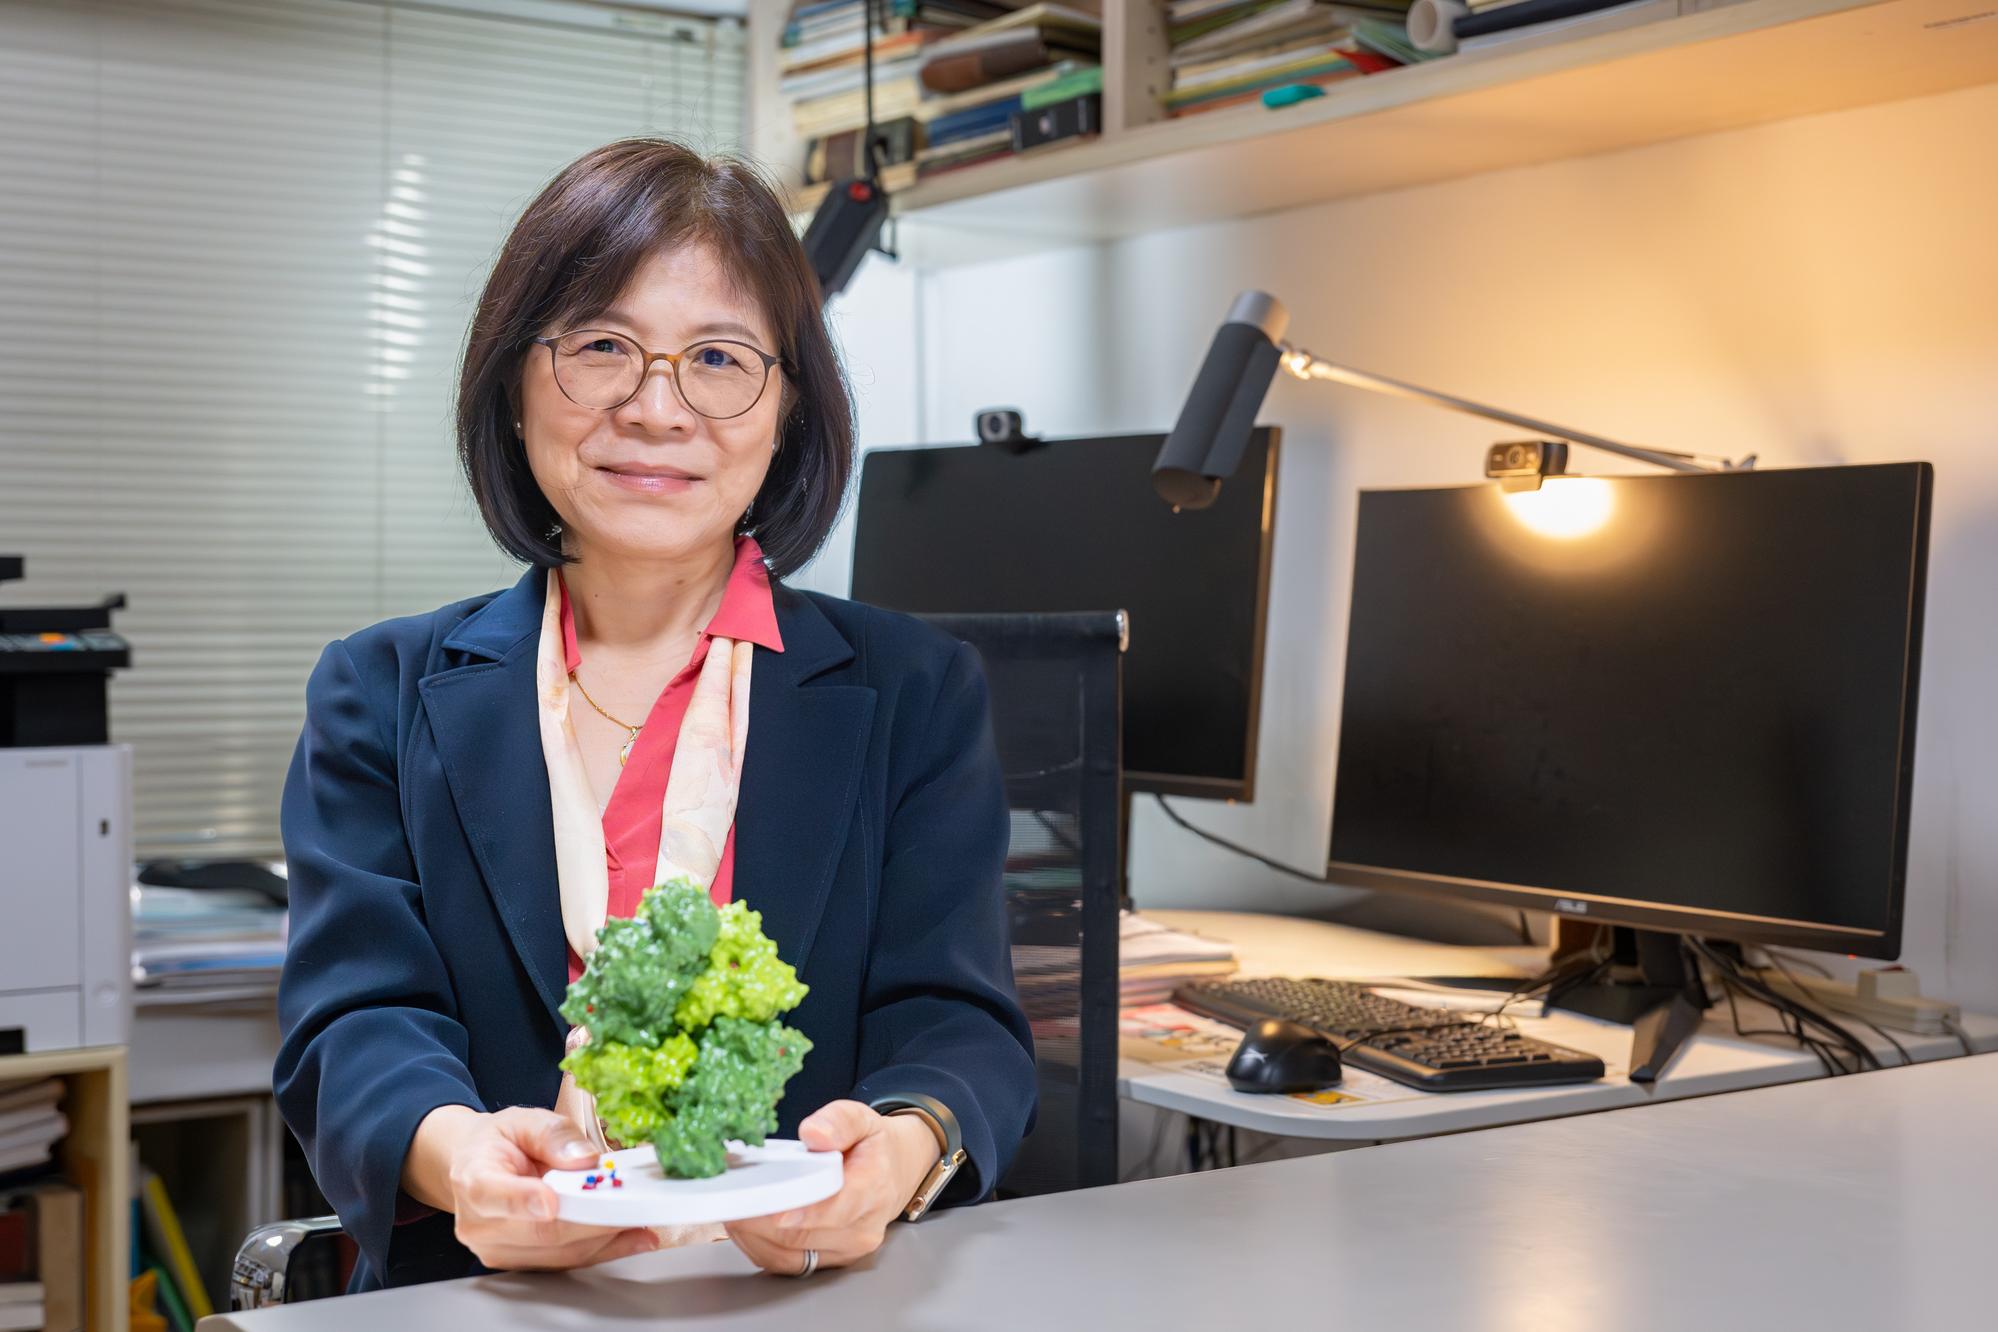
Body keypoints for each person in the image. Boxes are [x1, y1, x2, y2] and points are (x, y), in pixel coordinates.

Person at [273, 137, 1035, 1293]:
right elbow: (351, 1022)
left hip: (810, 1295)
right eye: (603, 348)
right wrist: (463, 1160)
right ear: (516, 382)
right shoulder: (376, 691)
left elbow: (958, 1021)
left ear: (788, 406)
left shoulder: (917, 692)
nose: (657, 407)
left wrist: (901, 1152)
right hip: (488, 1299)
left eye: (719, 358)